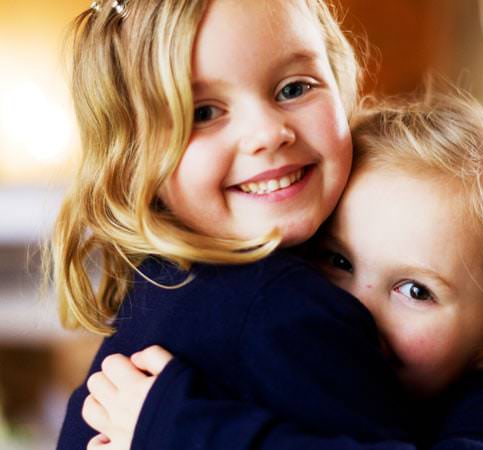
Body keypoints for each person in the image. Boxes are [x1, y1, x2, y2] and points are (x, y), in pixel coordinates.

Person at [83, 91, 483, 450]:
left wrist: (179, 427)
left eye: (415, 290)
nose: (352, 306)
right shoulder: (306, 364)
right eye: (337, 261)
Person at [52, 0, 420, 448]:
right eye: (203, 113)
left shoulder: (163, 282)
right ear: (132, 158)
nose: (267, 133)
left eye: (294, 88)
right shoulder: (279, 306)